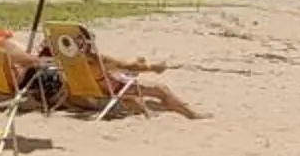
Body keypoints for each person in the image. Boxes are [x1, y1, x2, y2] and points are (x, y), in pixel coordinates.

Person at [49, 25, 205, 118]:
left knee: (127, 75)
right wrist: (154, 67)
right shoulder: (96, 58)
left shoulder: (64, 57)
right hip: (108, 91)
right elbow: (129, 67)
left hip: (83, 92)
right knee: (160, 89)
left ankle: (160, 109)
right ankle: (191, 114)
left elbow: (120, 65)